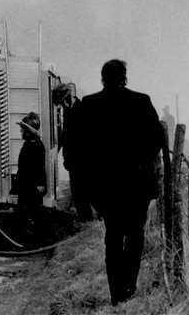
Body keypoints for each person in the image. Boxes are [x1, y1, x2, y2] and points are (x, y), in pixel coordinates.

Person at [66, 59, 167, 306]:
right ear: (125, 77)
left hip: (105, 188)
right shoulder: (141, 101)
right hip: (137, 185)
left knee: (113, 237)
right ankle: (129, 288)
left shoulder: (88, 105)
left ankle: (115, 295)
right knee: (135, 236)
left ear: (103, 78)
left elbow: (73, 150)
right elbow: (157, 141)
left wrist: (85, 186)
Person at [15, 111, 47, 233]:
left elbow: (39, 167)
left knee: (32, 211)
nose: (21, 132)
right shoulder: (31, 144)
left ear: (28, 132)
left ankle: (34, 236)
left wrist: (40, 183)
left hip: (31, 186)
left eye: (23, 130)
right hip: (26, 185)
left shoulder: (34, 146)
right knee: (25, 211)